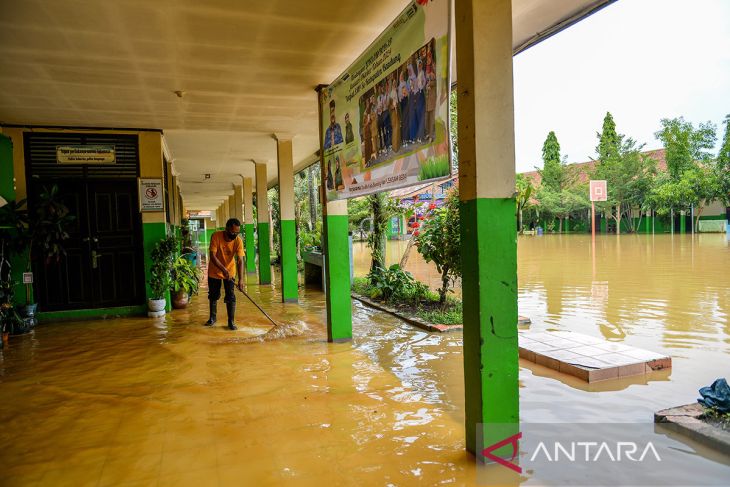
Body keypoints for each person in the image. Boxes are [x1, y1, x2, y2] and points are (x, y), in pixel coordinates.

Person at [205, 218, 245, 330]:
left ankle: (231, 321)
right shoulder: (216, 236)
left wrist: (241, 279)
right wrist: (223, 269)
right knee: (213, 295)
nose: (235, 235)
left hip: (230, 271)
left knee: (230, 296)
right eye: (233, 232)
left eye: (237, 232)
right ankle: (212, 318)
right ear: (227, 229)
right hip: (214, 271)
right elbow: (212, 256)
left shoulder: (238, 241)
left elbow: (240, 260)